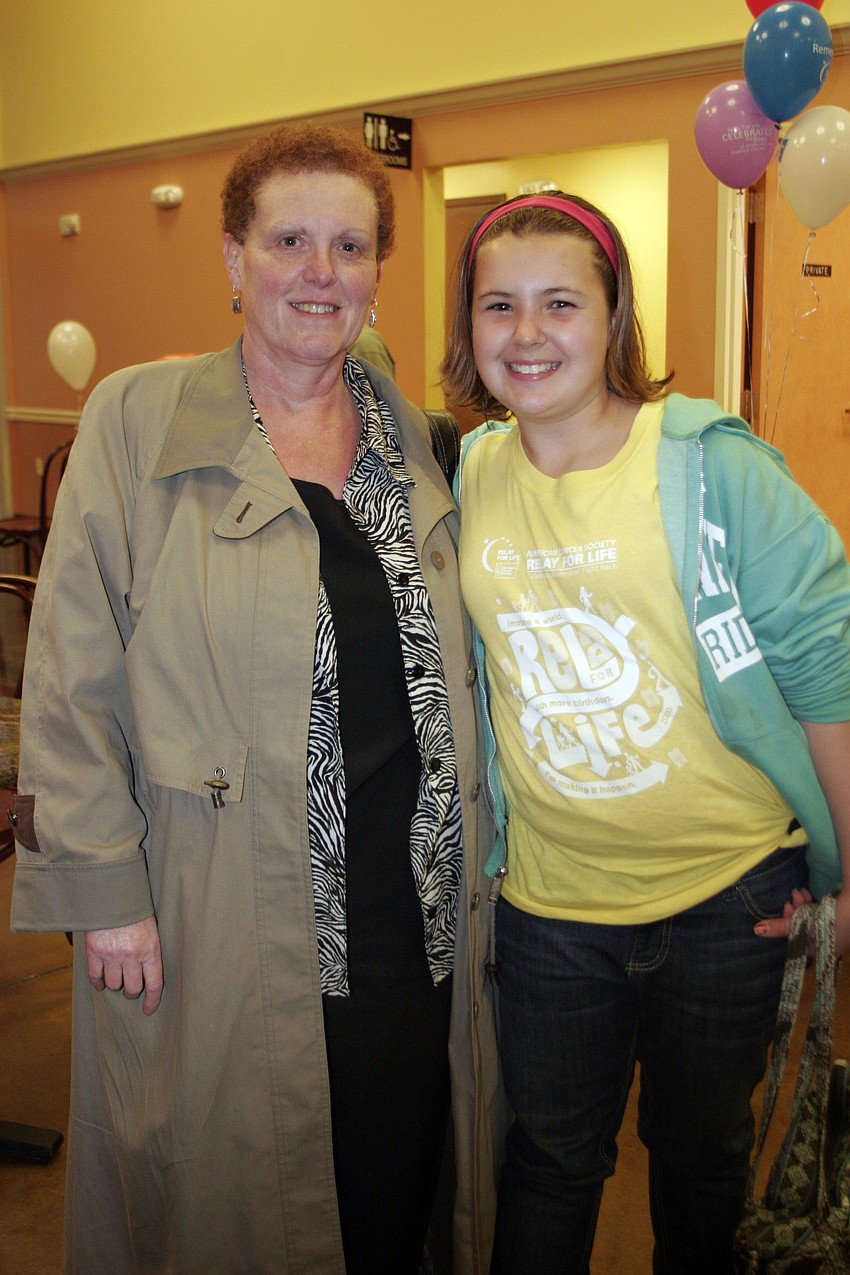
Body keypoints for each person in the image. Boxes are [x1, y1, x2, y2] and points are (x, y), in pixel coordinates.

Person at [10, 123, 504, 1275]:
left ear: (380, 268)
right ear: (232, 258)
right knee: (226, 1192)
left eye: (347, 244)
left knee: (396, 1179)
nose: (318, 272)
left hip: (416, 913)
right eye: (288, 239)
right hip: (217, 900)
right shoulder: (141, 426)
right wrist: (103, 888)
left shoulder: (424, 446)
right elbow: (69, 670)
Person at [440, 191, 850, 1274]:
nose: (526, 335)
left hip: (729, 898)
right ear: (468, 326)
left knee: (699, 1160)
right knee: (551, 1162)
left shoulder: (712, 464)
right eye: (498, 306)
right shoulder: (469, 472)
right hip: (549, 906)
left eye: (561, 303)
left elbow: (826, 671)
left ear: (615, 316)